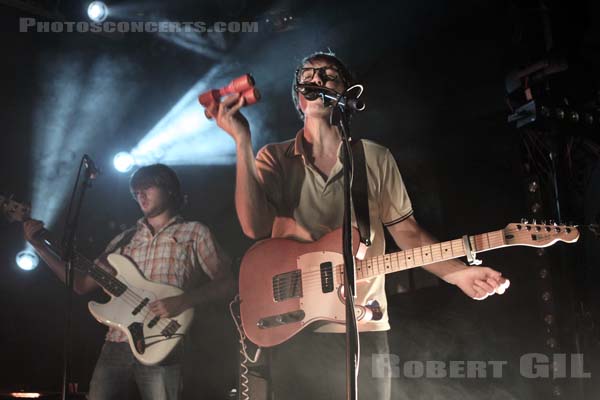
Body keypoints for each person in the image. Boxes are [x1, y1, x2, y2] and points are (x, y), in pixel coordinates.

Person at [208, 52, 510, 400]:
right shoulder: (274, 158)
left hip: (364, 325)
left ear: (346, 93)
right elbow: (253, 225)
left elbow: (408, 232)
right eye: (309, 76)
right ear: (298, 99)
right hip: (296, 326)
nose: (317, 80)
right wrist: (242, 142)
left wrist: (458, 274)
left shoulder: (374, 157)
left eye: (328, 75)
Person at [23, 163, 233, 400]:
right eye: (135, 192)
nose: (140, 195)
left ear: (169, 189)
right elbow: (80, 284)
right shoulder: (123, 240)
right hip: (116, 343)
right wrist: (40, 247)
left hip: (164, 341)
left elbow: (228, 283)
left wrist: (185, 300)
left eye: (147, 187)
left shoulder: (194, 232)